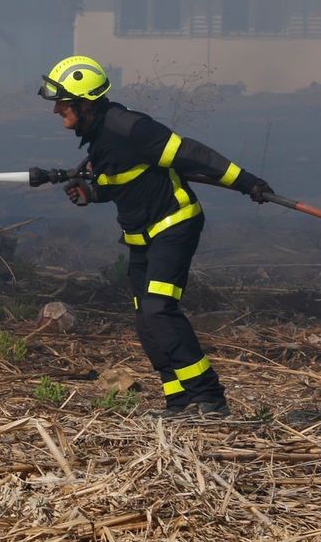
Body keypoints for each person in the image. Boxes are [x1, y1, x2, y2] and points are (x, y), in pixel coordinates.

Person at [37, 55, 273, 419]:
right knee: (147, 320)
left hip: (173, 226)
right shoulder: (99, 136)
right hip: (141, 236)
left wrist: (248, 183)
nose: (56, 110)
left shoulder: (129, 127)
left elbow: (192, 153)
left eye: (63, 103)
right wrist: (92, 192)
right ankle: (179, 401)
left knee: (159, 309)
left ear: (85, 103)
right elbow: (127, 179)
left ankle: (209, 398)